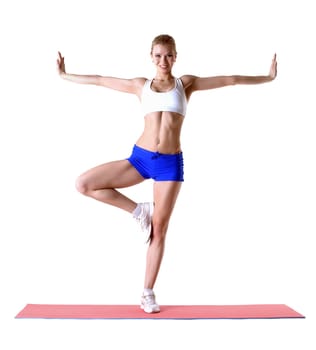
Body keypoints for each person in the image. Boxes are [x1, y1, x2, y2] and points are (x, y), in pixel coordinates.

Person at [56, 34, 277, 313]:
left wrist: (267, 78)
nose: (164, 60)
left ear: (176, 56)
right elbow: (100, 80)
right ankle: (139, 211)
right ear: (151, 57)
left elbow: (230, 79)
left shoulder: (186, 84)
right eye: (158, 55)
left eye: (169, 55)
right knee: (84, 184)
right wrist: (65, 75)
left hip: (170, 164)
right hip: (140, 158)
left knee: (159, 231)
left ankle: (147, 292)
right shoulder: (141, 86)